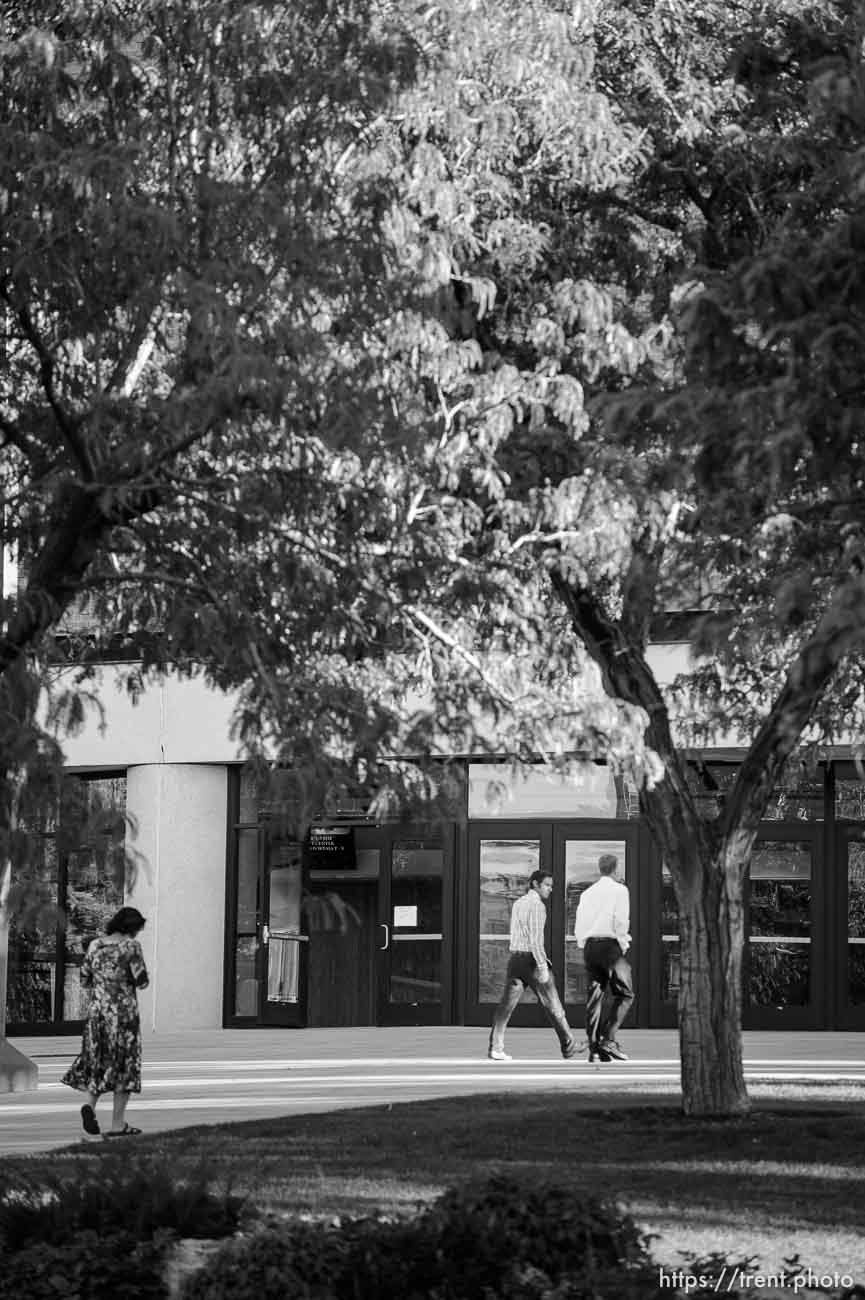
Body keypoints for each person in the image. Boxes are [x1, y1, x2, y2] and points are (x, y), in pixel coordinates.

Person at [62, 905, 149, 1137]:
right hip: (124, 1018)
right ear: (131, 928)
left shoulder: (95, 945)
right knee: (124, 1067)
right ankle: (118, 1124)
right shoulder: (131, 947)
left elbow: (84, 978)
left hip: (97, 1016)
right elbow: (141, 981)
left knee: (98, 1063)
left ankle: (89, 1106)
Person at [488, 869, 580, 1061]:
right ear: (535, 884)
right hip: (532, 962)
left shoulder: (518, 903)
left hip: (516, 960)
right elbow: (536, 940)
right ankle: (569, 1047)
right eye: (547, 885)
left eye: (551, 885)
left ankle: (496, 1048)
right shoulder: (537, 906)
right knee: (553, 1005)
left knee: (505, 1007)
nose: (550, 889)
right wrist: (543, 967)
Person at [574, 852, 634, 1062]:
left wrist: (584, 943)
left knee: (594, 998)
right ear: (616, 869)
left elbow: (580, 924)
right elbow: (620, 920)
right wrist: (623, 942)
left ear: (600, 869)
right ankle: (608, 1039)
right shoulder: (620, 890)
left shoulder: (587, 893)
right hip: (610, 946)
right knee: (625, 994)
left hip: (590, 947)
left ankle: (594, 1049)